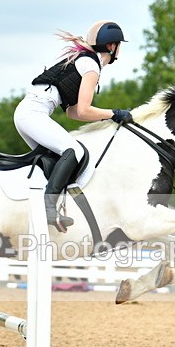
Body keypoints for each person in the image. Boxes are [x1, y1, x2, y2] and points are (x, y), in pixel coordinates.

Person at [14, 20, 134, 232]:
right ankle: (49, 209)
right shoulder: (92, 66)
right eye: (119, 45)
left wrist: (107, 117)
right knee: (74, 151)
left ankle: (46, 207)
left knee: (54, 159)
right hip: (33, 114)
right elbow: (85, 111)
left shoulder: (85, 61)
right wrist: (114, 114)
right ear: (112, 46)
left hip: (27, 114)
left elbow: (74, 111)